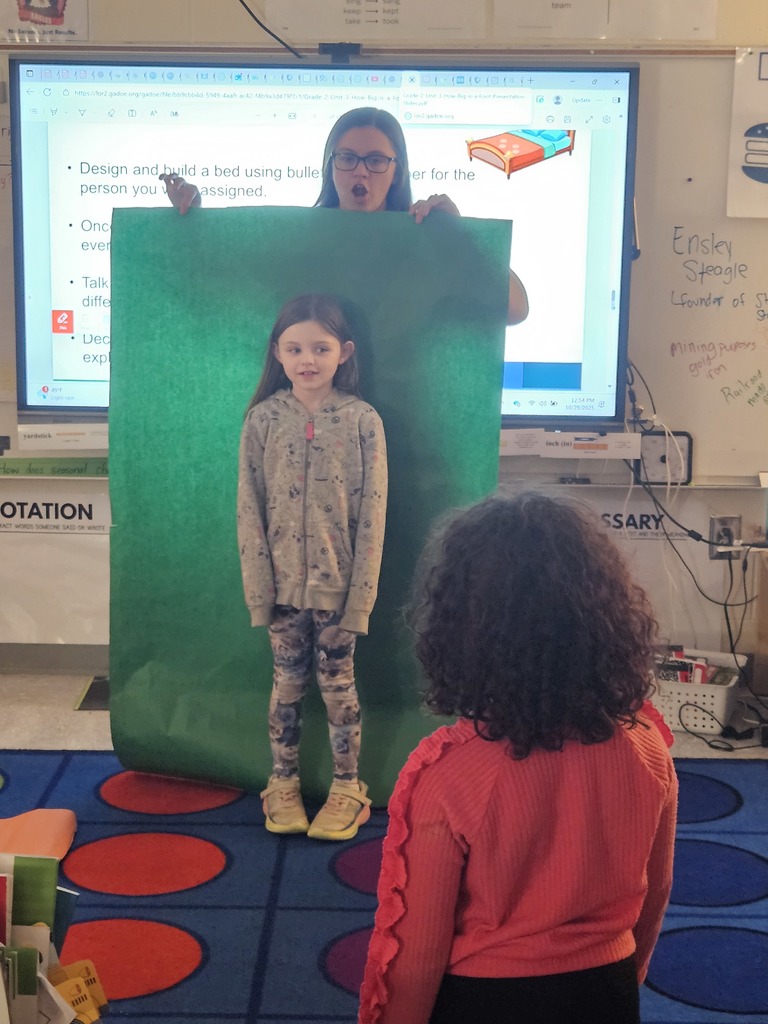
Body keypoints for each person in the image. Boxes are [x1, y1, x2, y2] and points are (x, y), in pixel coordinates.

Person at [358, 491, 677, 1024]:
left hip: (484, 1001)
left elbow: (415, 957)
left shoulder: (449, 777)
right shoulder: (647, 746)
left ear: (461, 631)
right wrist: (623, 981)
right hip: (609, 991)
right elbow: (656, 892)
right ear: (606, 618)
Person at [237, 293, 387, 842]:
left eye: (320, 348)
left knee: (339, 688)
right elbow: (248, 508)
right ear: (278, 352)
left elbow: (373, 516)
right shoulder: (262, 420)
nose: (307, 359)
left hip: (340, 591)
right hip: (280, 591)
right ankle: (283, 782)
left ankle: (348, 786)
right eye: (295, 348)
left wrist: (359, 600)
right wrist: (260, 591)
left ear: (343, 352)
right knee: (287, 685)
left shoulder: (363, 421)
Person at [161, 106, 529, 325]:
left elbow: (515, 309)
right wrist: (194, 223)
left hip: (401, 425)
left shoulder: (424, 244)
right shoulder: (300, 243)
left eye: (376, 160)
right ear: (330, 167)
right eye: (348, 158)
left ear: (397, 172)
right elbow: (218, 284)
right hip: (307, 426)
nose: (361, 171)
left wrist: (457, 234)